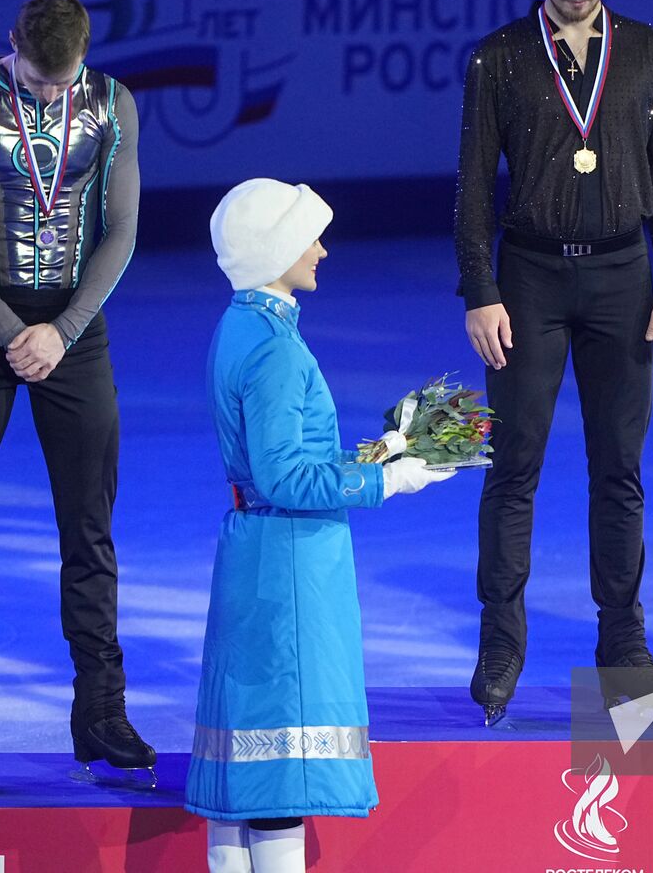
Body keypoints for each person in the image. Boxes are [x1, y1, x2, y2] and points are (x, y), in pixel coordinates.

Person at [453, 0, 653, 725]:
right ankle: (501, 643)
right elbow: (474, 188)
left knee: (618, 471)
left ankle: (623, 642)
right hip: (529, 282)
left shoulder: (650, 52)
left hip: (626, 282)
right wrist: (479, 291)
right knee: (512, 468)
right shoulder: (501, 57)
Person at [0, 0, 154, 785]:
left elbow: (120, 229)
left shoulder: (114, 102)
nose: (51, 92)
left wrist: (63, 329)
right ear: (10, 40)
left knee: (90, 530)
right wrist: (9, 329)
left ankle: (101, 710)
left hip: (73, 333)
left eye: (63, 82)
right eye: (38, 79)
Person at [188, 179, 455, 873]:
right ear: (277, 249)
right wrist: (388, 480)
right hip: (289, 571)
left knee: (245, 772)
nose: (323, 250)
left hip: (256, 552)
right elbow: (284, 479)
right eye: (310, 237)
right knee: (282, 769)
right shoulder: (275, 350)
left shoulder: (241, 325)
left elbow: (276, 463)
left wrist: (380, 451)